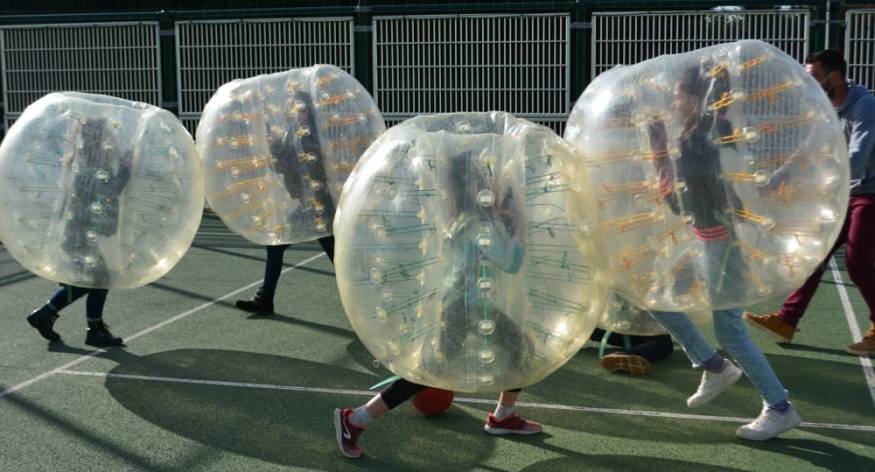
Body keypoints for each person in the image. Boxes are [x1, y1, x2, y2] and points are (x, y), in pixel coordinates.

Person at [333, 149, 542, 459]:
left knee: (518, 349)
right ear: (474, 186)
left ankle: (502, 417)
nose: (492, 182)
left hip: (470, 306)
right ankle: (355, 419)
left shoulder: (466, 217)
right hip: (462, 308)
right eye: (486, 178)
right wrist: (521, 224)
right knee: (427, 375)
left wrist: (503, 216)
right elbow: (510, 262)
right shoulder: (474, 224)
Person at [646, 65, 800, 441]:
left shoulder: (703, 137)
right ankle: (713, 366)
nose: (673, 101)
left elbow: (678, 200)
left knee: (730, 331)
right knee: (658, 299)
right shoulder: (704, 131)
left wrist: (658, 150)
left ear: (696, 99)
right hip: (708, 240)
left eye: (679, 95)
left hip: (721, 244)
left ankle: (779, 407)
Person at [744, 49, 875, 356]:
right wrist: (775, 179)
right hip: (847, 191)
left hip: (869, 192)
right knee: (816, 254)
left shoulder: (865, 106)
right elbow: (805, 151)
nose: (808, 83)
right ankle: (787, 320)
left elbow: (856, 161)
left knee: (857, 261)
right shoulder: (825, 107)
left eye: (814, 76)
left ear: (836, 76)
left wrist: (814, 179)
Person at [27, 117, 127, 347]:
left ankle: (81, 324)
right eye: (107, 136)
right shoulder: (89, 168)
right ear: (98, 141)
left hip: (78, 234)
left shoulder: (83, 163)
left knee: (94, 279)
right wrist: (125, 169)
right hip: (79, 236)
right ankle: (82, 325)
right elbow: (110, 191)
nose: (111, 139)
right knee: (95, 280)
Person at [236, 90, 336, 314]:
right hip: (306, 204)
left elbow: (306, 163)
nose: (294, 112)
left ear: (307, 110)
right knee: (276, 245)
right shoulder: (292, 132)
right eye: (291, 107)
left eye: (298, 107)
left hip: (320, 205)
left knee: (338, 258)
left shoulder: (313, 134)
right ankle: (265, 299)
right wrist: (272, 146)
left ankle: (364, 297)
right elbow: (284, 164)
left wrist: (280, 152)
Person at [594, 329, 674, 375]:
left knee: (624, 336)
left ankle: (592, 332)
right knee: (665, 345)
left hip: (622, 325)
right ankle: (626, 355)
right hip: (644, 325)